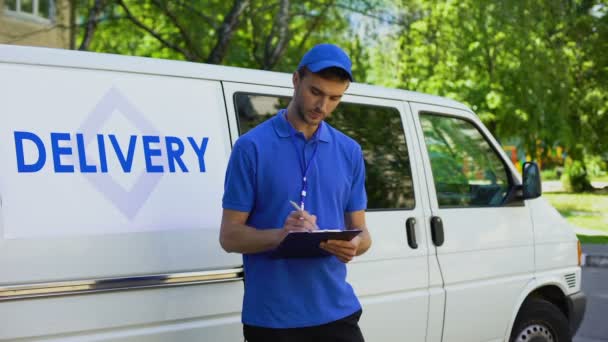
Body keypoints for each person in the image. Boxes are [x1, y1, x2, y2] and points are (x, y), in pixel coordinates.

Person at [220, 43, 372, 342]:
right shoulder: (251, 147)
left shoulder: (349, 151)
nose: (323, 106)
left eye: (335, 98)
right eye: (316, 92)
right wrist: (282, 236)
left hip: (337, 313)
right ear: (295, 80)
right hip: (272, 322)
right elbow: (229, 236)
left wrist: (353, 244)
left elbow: (363, 235)